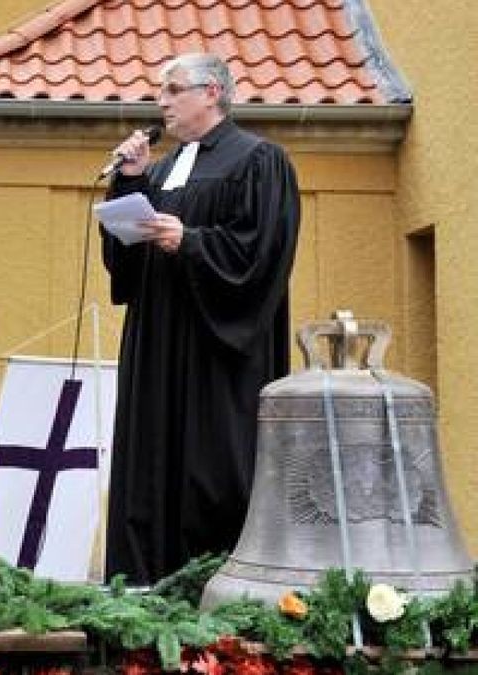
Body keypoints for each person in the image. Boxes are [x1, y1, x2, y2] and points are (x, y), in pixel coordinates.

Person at [100, 53, 300, 584]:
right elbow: (124, 264)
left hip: (216, 351)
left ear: (212, 92)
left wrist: (190, 241)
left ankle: (215, 588)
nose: (160, 101)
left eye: (172, 89)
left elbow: (263, 253)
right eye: (160, 91)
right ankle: (143, 588)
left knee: (210, 473)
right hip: (156, 347)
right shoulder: (161, 169)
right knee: (149, 468)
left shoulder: (260, 160)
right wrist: (128, 185)